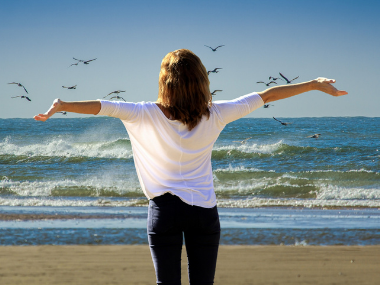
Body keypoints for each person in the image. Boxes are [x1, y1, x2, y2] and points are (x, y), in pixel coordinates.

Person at [34, 49, 347, 284]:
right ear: (202, 81)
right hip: (203, 213)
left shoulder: (142, 113)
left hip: (163, 212)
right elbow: (267, 95)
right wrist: (314, 85)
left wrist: (62, 106)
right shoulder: (218, 112)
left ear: (164, 82)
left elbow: (102, 106)